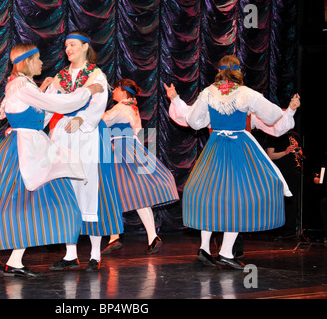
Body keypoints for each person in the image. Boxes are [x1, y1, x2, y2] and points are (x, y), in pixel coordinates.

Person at [0, 43, 103, 278]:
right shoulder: (20, 86)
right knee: (17, 202)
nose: (42, 63)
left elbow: (42, 115)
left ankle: (13, 259)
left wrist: (45, 90)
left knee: (33, 204)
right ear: (27, 62)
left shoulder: (25, 86)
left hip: (34, 147)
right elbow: (59, 105)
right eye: (38, 59)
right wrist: (90, 90)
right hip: (23, 150)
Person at [167, 55, 301, 269]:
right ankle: (226, 252)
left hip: (216, 146)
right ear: (239, 72)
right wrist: (290, 109)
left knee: (207, 193)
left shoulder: (208, 92)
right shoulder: (246, 93)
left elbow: (193, 121)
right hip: (240, 146)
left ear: (219, 71)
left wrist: (177, 100)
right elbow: (273, 115)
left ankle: (204, 247)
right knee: (239, 197)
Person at [46, 31, 124, 272]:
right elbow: (48, 103)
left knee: (89, 186)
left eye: (72, 45)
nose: (68, 49)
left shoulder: (96, 74)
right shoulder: (60, 77)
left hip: (87, 135)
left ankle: (94, 253)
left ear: (84, 47)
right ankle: (70, 254)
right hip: (64, 134)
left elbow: (99, 101)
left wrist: (82, 118)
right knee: (67, 188)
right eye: (66, 45)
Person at [101, 79, 179, 255]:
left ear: (123, 92)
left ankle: (117, 237)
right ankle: (147, 237)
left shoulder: (120, 108)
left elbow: (102, 121)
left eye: (116, 89)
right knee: (131, 193)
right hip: (131, 148)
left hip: (121, 150)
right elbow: (137, 132)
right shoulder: (132, 108)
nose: (113, 92)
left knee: (115, 192)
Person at [266, 130, 304, 239]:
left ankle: (290, 230)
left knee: (292, 202)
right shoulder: (273, 135)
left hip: (293, 172)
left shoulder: (295, 135)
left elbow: (301, 157)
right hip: (279, 173)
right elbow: (270, 156)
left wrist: (297, 150)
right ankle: (277, 230)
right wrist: (285, 152)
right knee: (278, 202)